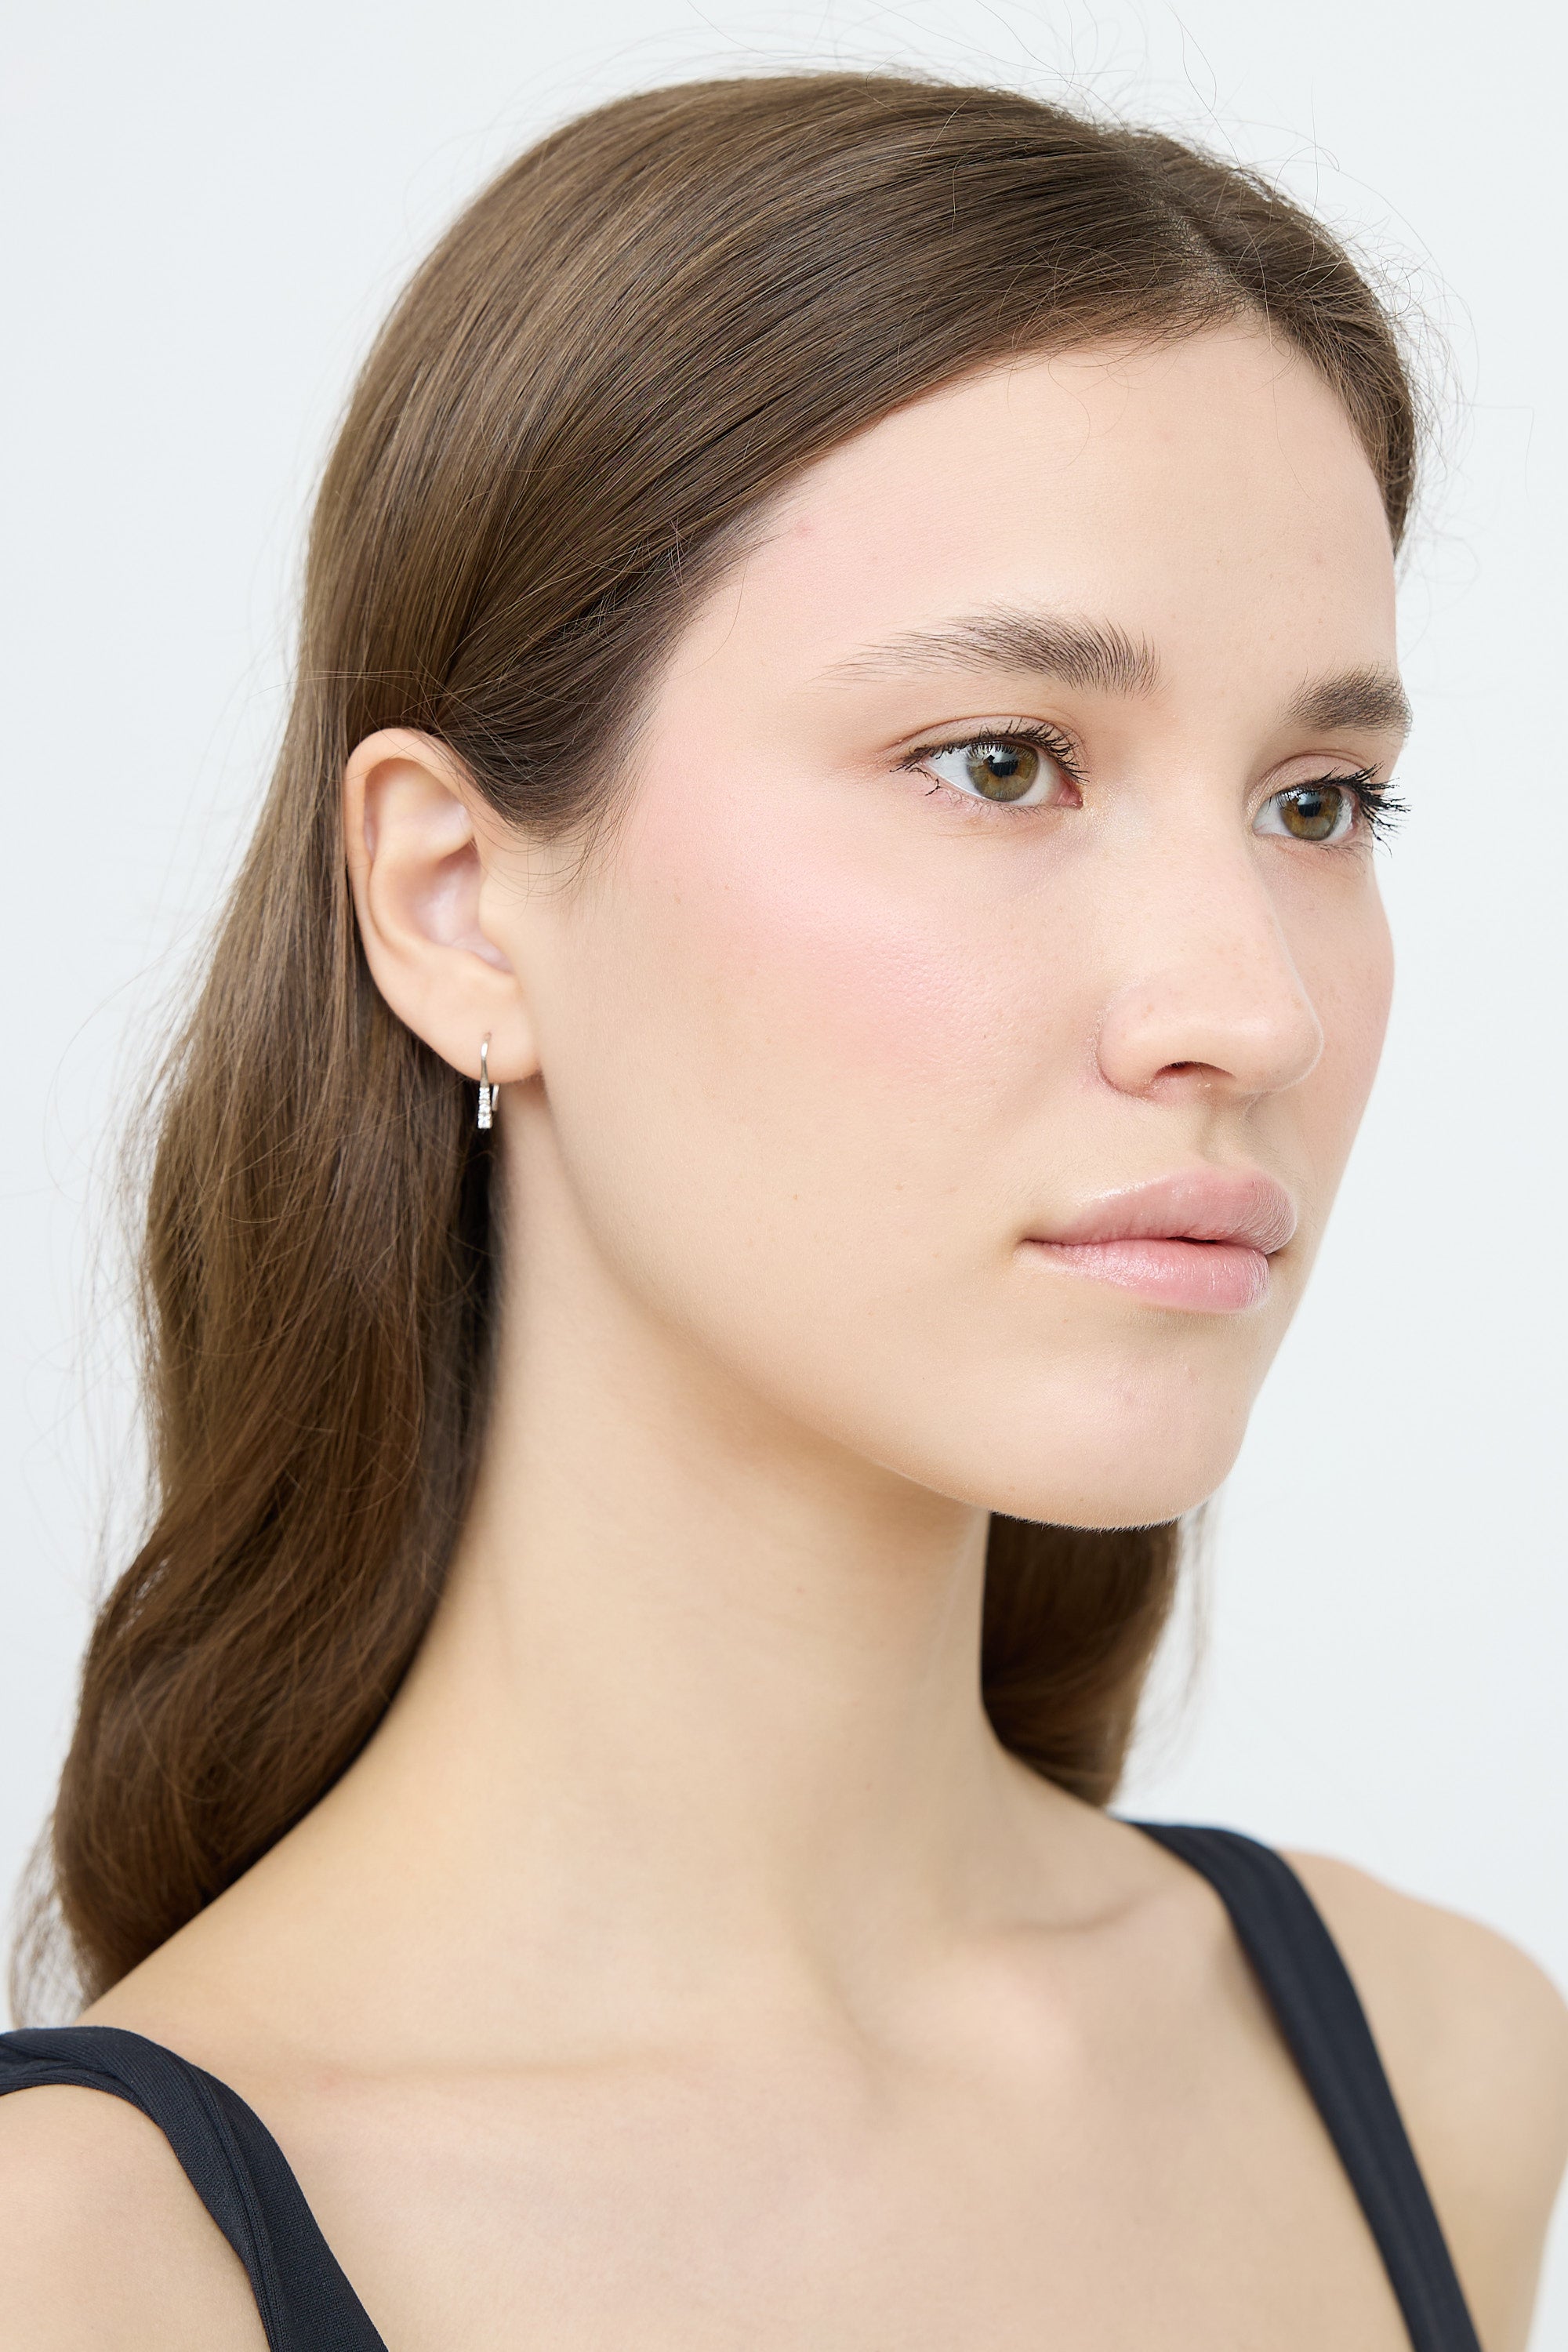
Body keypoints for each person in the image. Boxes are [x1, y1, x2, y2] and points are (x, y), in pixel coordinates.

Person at [1, 70, 1563, 2352]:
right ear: (455, 903)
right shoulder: (87, 2268)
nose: (1251, 1006)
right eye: (1002, 763)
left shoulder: (1438, 2078)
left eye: (1320, 801)